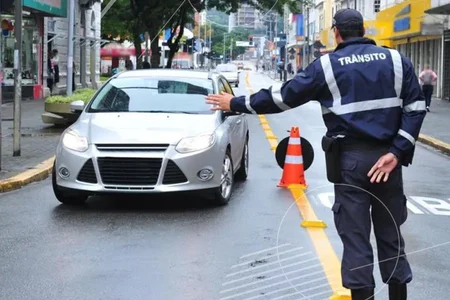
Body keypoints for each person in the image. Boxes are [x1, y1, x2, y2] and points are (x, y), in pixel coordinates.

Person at [205, 8, 426, 300]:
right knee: (391, 236)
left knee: (356, 239)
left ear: (336, 33)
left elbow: (283, 98)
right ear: (364, 31)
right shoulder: (397, 61)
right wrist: (396, 153)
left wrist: (236, 102)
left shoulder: (327, 66)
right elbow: (416, 109)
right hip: (388, 162)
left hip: (350, 163)